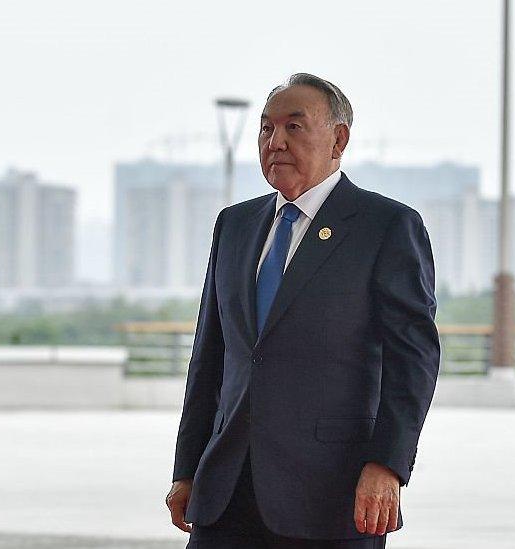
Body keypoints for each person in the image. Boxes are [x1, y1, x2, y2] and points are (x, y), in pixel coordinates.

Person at [166, 73, 440, 548]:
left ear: (339, 139)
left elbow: (412, 361)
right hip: (225, 494)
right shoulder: (235, 225)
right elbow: (210, 358)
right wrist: (187, 468)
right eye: (267, 128)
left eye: (295, 127)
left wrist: (387, 465)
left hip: (332, 496)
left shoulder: (386, 226)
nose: (276, 142)